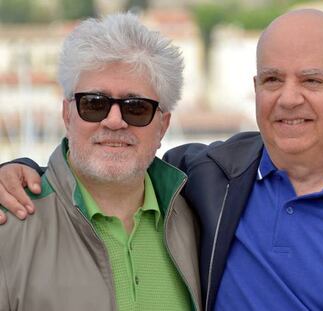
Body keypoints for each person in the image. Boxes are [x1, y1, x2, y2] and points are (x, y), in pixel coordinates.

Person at [1, 8, 323, 311]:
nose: (289, 98)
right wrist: (19, 172)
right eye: (93, 104)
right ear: (66, 112)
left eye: (312, 80)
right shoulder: (212, 178)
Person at [0, 12, 202, 311]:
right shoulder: (9, 227)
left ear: (163, 125)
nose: (115, 121)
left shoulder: (195, 220)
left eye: (136, 108)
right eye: (94, 104)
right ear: (67, 114)